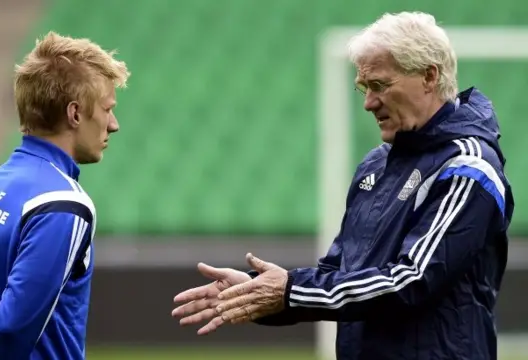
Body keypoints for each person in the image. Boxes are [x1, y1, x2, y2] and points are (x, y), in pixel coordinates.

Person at [172, 11, 514, 360]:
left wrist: (290, 291)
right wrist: (258, 292)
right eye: (364, 88)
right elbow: (339, 275)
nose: (368, 103)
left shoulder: (468, 168)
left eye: (380, 85)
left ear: (429, 76)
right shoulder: (376, 165)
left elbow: (411, 280)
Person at [0, 31, 130, 359]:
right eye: (107, 109)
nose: (114, 124)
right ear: (75, 114)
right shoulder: (64, 204)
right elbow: (11, 329)